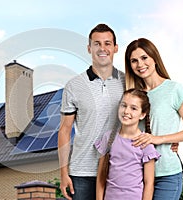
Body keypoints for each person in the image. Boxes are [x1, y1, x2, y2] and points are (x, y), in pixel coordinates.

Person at [124, 38, 183, 200]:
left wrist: (160, 138)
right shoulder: (133, 95)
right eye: (134, 61)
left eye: (144, 58)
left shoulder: (173, 89)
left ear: (154, 58)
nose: (140, 64)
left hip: (167, 174)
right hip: (137, 174)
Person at [58, 23, 125, 200]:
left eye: (107, 43)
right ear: (89, 48)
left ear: (115, 48)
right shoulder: (74, 85)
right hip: (82, 171)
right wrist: (64, 172)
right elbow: (65, 130)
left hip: (118, 169)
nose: (102, 48)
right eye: (97, 43)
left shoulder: (128, 82)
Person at [95, 88, 160, 200]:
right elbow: (101, 176)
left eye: (133, 108)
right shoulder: (108, 138)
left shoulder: (146, 144)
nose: (126, 111)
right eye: (123, 105)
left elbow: (149, 183)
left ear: (142, 114)